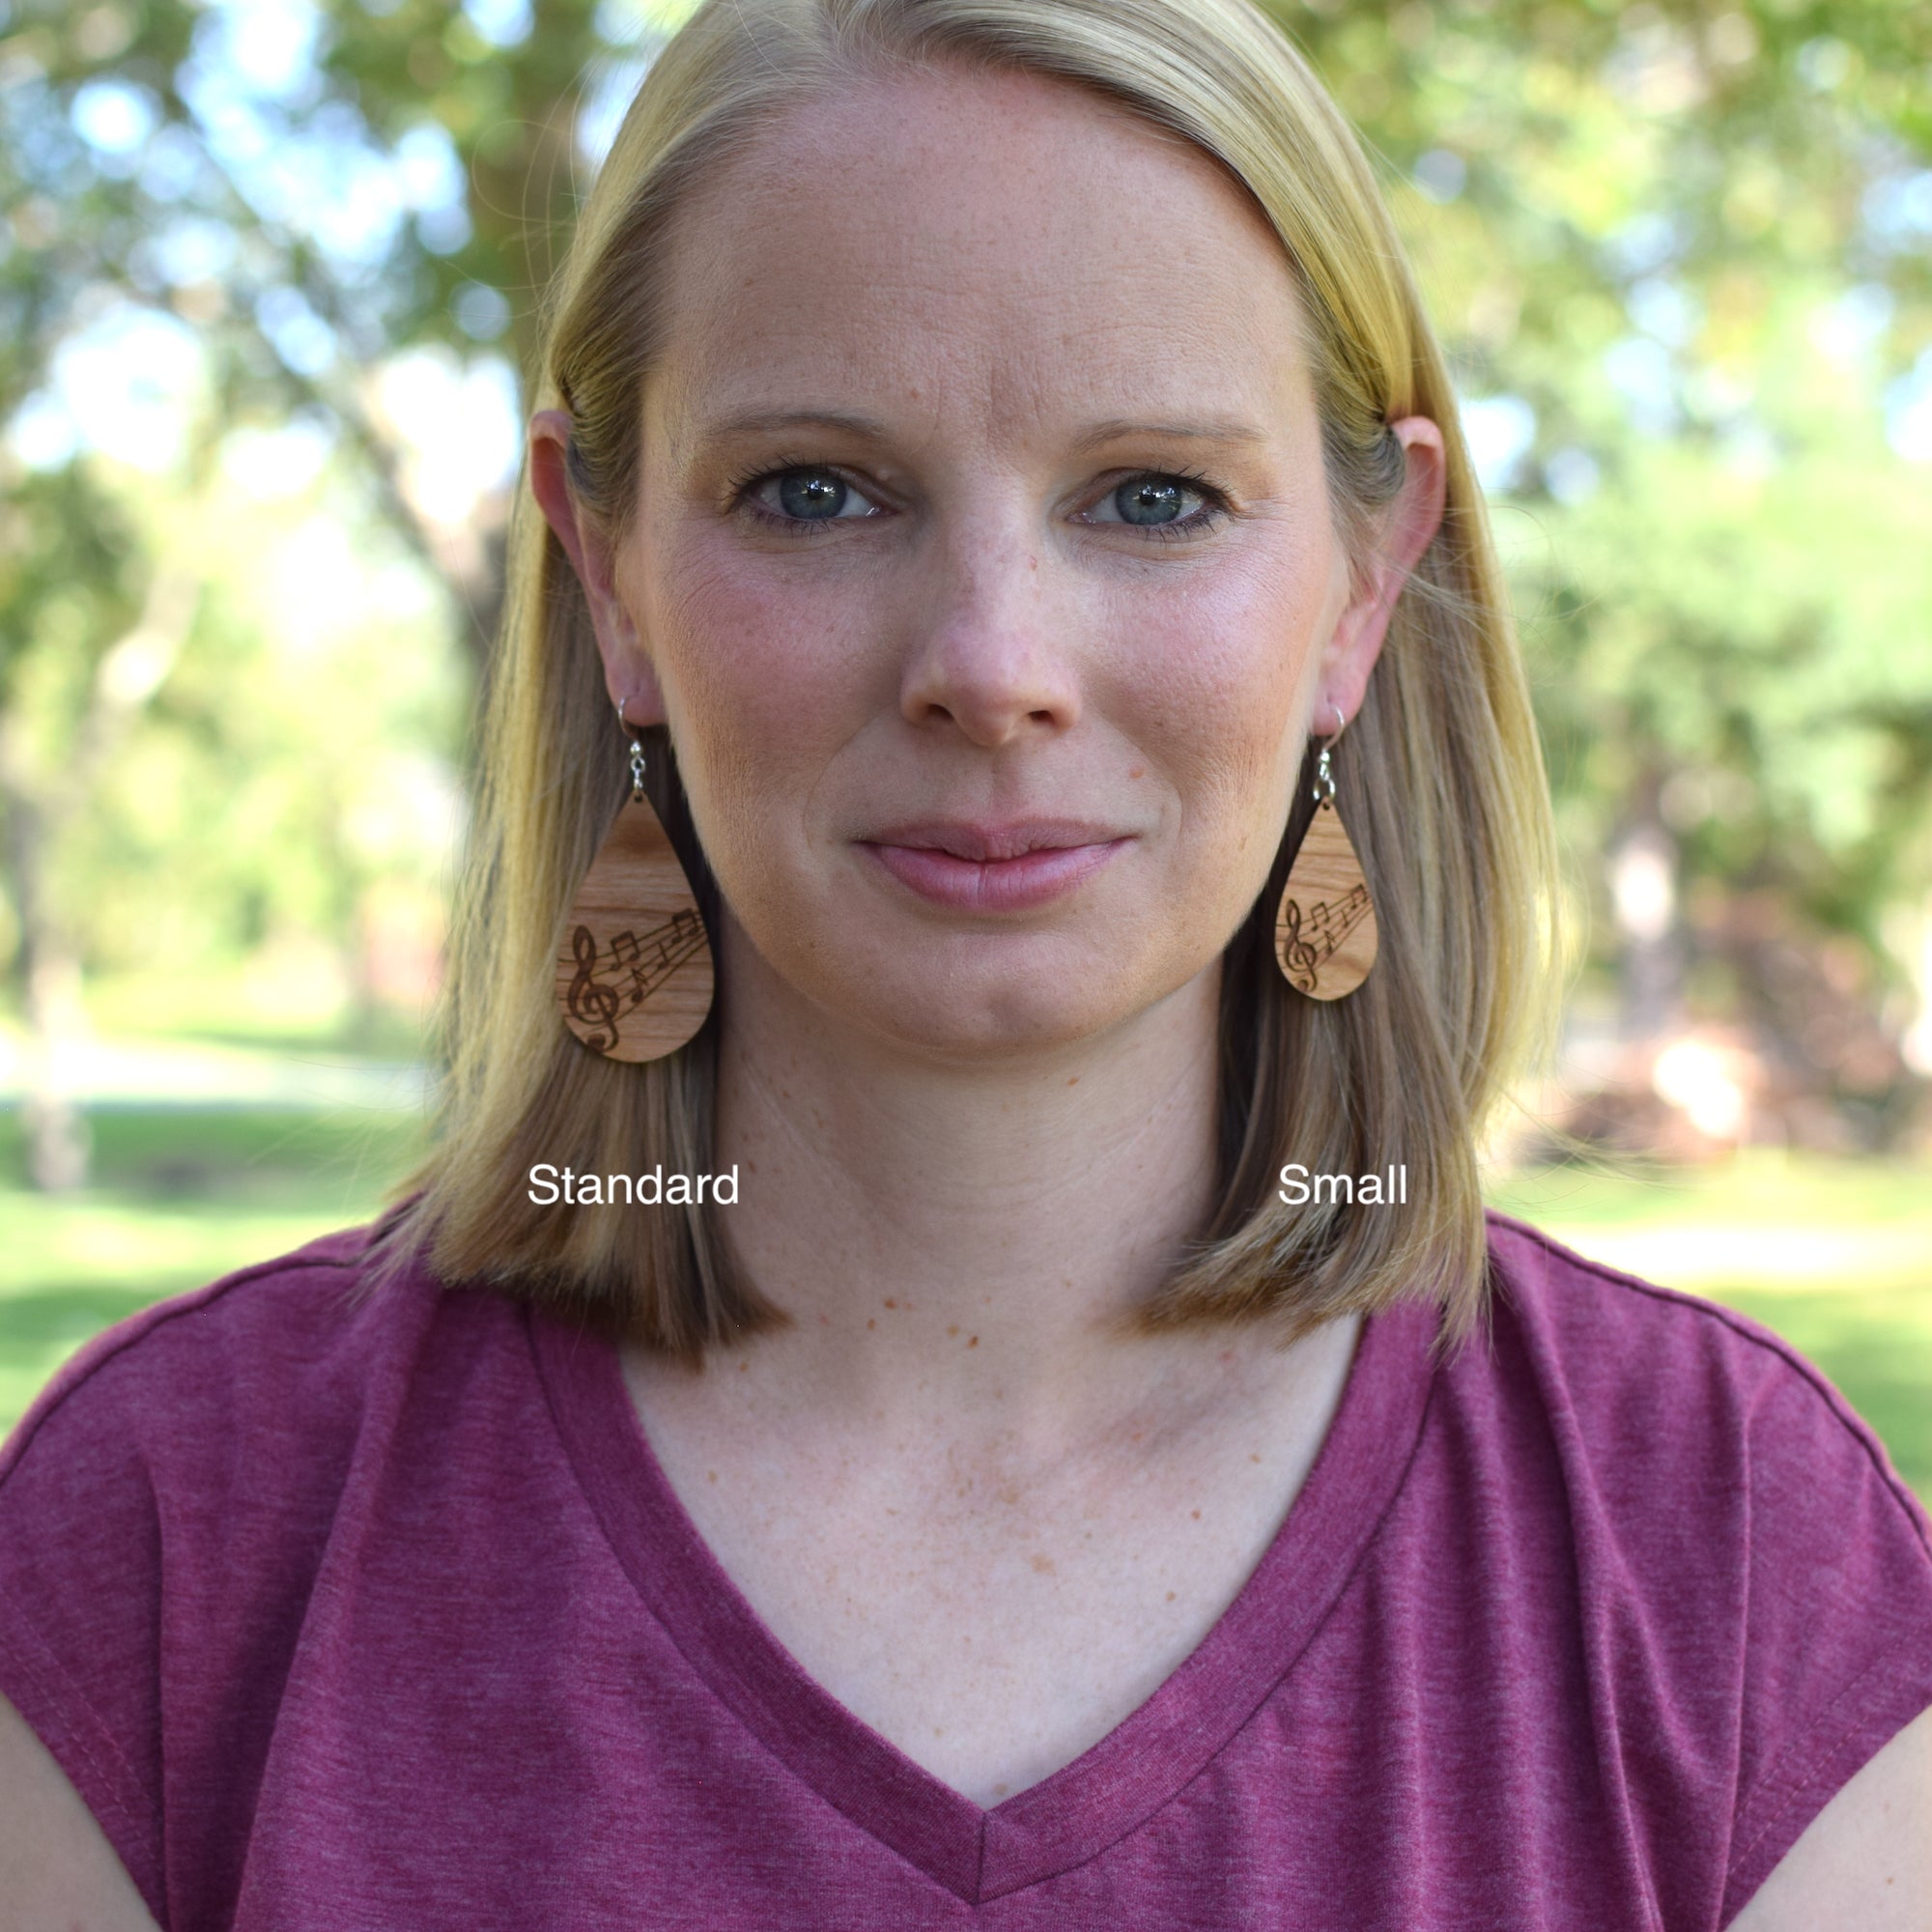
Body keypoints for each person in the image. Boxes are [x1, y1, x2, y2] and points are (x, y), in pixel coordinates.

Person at [3, 0, 1928, 1924]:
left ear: (1362, 579)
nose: (993, 666)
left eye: (1153, 496)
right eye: (816, 491)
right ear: (609, 571)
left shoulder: (1738, 1566)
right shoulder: (163, 1540)